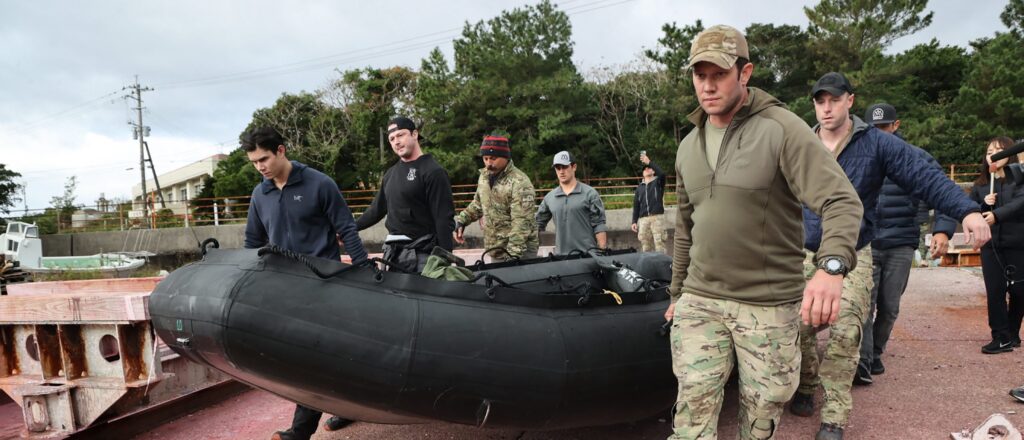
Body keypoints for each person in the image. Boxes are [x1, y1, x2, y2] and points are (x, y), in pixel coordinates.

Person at [665, 25, 864, 440]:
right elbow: (686, 228)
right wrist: (677, 294)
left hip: (767, 304)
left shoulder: (781, 129)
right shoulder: (687, 145)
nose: (707, 85)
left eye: (718, 74)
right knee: (690, 417)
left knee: (759, 419)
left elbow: (841, 201)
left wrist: (830, 269)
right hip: (701, 301)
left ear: (745, 72)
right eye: (700, 75)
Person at [790, 73, 991, 440]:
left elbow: (922, 174)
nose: (827, 108)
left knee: (848, 327)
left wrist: (966, 210)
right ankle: (806, 383)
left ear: (850, 100)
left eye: (834, 100)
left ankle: (834, 414)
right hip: (806, 251)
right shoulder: (800, 142)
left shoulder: (876, 144)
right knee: (798, 325)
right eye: (820, 101)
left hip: (854, 250)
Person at [240, 126, 368, 440]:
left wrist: (365, 272)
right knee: (312, 358)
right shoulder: (261, 193)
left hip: (324, 283)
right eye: (255, 162)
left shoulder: (320, 184)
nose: (261, 166)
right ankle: (349, 407)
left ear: (281, 150)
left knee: (312, 358)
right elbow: (253, 242)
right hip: (285, 288)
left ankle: (299, 433)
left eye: (265, 158)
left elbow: (347, 230)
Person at [857, 103, 957, 384]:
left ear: (896, 125)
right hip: (866, 242)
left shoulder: (916, 157)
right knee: (864, 304)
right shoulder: (858, 157)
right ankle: (862, 362)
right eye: (873, 128)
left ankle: (876, 351)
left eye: (885, 127)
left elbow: (944, 193)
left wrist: (943, 231)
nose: (880, 133)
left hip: (901, 242)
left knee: (889, 307)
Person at [355, 116, 456, 272]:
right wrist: (350, 228)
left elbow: (443, 219)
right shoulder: (390, 174)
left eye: (401, 135)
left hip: (423, 255)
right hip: (392, 255)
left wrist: (445, 261)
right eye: (392, 138)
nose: (396, 141)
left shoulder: (433, 171)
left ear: (414, 134)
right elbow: (376, 210)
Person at [968, 136, 1024, 354]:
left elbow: (1021, 203)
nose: (993, 153)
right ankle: (1000, 336)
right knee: (995, 291)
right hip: (991, 246)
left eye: (999, 150)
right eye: (990, 150)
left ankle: (1012, 331)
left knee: (1019, 290)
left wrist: (997, 215)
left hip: (1018, 243)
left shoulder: (1018, 180)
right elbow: (970, 210)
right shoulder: (981, 185)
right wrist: (984, 204)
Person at [453, 134, 539, 261]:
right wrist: (462, 221)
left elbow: (522, 224)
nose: (488, 163)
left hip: (520, 252)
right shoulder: (484, 177)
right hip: (496, 249)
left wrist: (512, 256)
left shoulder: (520, 182)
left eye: (493, 158)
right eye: (485, 158)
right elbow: (478, 204)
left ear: (505, 157)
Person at [536, 151, 607, 254]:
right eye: (558, 168)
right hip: (561, 258)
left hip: (588, 255)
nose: (561, 171)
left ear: (574, 167)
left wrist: (602, 253)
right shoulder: (549, 197)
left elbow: (599, 225)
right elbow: (537, 224)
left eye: (564, 167)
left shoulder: (590, 194)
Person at [631, 151, 667, 253]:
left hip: (657, 218)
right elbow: (636, 205)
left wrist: (649, 162)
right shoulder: (639, 188)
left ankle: (662, 267)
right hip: (643, 220)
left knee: (660, 246)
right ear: (642, 173)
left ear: (653, 171)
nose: (646, 169)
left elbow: (662, 174)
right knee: (646, 248)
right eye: (645, 169)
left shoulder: (658, 182)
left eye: (649, 168)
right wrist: (634, 221)